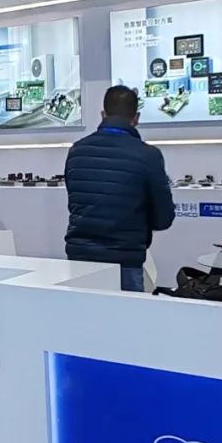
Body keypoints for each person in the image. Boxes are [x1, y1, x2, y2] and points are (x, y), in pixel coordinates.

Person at [64, 85, 175, 292]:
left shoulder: (77, 151)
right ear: (136, 118)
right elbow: (164, 218)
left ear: (103, 114)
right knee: (126, 313)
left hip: (80, 256)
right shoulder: (148, 155)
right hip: (125, 257)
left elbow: (74, 201)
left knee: (82, 311)